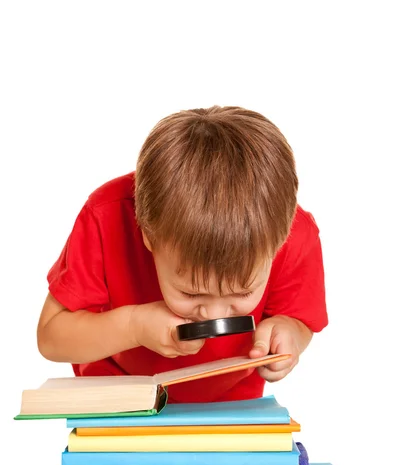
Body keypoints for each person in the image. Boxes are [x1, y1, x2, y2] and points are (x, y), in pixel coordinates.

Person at [37, 106, 328, 404]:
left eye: (243, 292)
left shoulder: (293, 232)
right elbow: (50, 337)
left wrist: (290, 332)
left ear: (279, 244)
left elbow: (300, 321)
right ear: (148, 235)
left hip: (231, 409)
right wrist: (134, 326)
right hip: (117, 402)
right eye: (191, 293)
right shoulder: (106, 216)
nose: (213, 316)